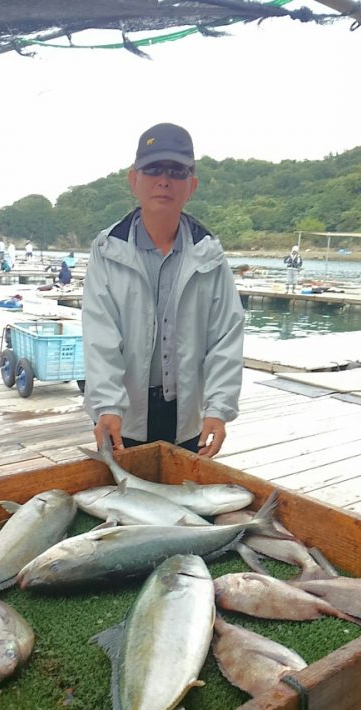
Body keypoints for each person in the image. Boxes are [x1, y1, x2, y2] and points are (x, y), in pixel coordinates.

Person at [82, 122, 245, 458]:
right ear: (134, 180)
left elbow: (226, 335)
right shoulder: (107, 250)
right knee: (122, 496)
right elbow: (100, 334)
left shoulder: (209, 255)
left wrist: (218, 408)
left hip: (186, 415)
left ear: (192, 185)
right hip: (122, 415)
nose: (165, 180)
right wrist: (107, 404)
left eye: (177, 170)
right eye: (153, 168)